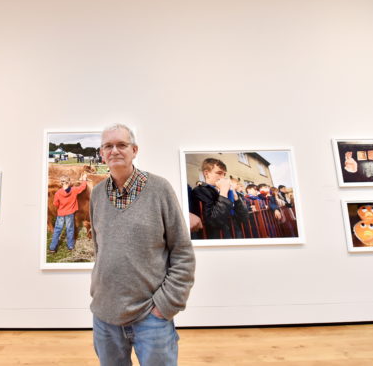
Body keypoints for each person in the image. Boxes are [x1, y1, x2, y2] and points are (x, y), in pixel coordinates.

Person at [90, 124, 195, 366]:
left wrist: (166, 305)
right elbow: (100, 249)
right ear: (102, 153)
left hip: (151, 317)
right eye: (108, 146)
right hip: (105, 317)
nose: (114, 150)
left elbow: (182, 251)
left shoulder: (160, 189)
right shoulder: (96, 194)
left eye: (122, 145)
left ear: (134, 150)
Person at [191, 158, 248, 239]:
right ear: (206, 173)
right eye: (219, 173)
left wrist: (236, 198)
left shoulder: (227, 191)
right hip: (219, 238)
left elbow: (244, 217)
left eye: (224, 174)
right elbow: (214, 222)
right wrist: (223, 192)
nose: (223, 177)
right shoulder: (200, 190)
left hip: (236, 234)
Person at [49, 173, 87, 253]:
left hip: (60, 214)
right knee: (70, 229)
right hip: (70, 213)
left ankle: (52, 248)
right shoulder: (74, 190)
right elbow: (83, 187)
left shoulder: (58, 193)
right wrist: (84, 179)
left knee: (57, 230)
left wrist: (61, 206)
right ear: (69, 182)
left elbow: (55, 203)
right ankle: (70, 246)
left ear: (61, 183)